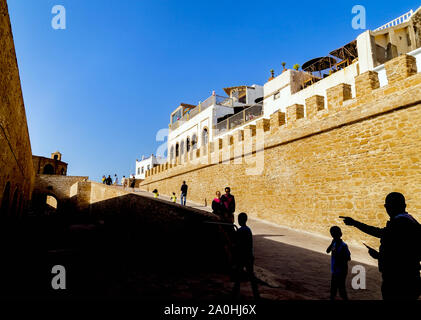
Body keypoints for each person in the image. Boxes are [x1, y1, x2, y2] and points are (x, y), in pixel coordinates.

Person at [341, 192, 421, 300]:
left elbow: (379, 233)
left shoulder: (400, 223)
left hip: (397, 282)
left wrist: (354, 223)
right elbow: (401, 254)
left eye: (387, 206)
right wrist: (379, 256)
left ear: (388, 207)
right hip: (410, 279)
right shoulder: (411, 222)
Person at [232, 212, 260, 300]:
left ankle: (235, 293)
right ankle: (256, 294)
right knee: (250, 276)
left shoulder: (241, 231)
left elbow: (236, 243)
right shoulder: (248, 229)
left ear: (240, 220)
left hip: (243, 256)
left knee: (239, 275)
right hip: (249, 256)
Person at [326, 226, 351, 300]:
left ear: (339, 234)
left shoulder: (343, 246)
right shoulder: (334, 244)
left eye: (333, 234)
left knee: (341, 289)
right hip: (335, 270)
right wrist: (332, 243)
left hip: (341, 271)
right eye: (332, 234)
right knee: (333, 288)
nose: (332, 236)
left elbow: (348, 258)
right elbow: (327, 251)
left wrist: (339, 258)